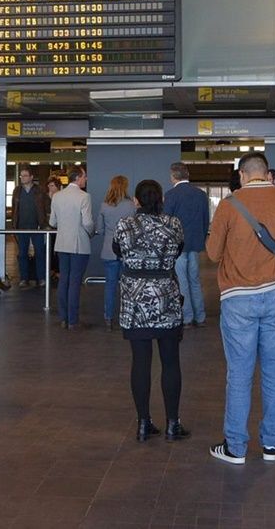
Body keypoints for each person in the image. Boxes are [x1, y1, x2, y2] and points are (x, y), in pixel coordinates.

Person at [206, 152, 275, 465]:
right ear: (267, 174)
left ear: (242, 175)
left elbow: (211, 253)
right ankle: (273, 446)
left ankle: (236, 447)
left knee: (239, 374)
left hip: (237, 297)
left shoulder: (228, 204)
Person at [113, 179, 190, 442]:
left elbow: (117, 251)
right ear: (161, 200)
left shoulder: (125, 225)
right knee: (170, 362)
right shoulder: (173, 224)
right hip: (165, 297)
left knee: (140, 362)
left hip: (134, 301)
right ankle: (173, 424)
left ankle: (144, 423)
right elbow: (178, 251)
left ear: (136, 201)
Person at [165, 162, 210, 328]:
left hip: (178, 245)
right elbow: (206, 220)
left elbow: (167, 221)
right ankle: (200, 316)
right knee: (195, 280)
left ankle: (187, 318)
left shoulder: (170, 195)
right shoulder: (200, 194)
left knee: (182, 281)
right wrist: (202, 238)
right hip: (195, 243)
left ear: (173, 176)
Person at [51, 167, 94, 329]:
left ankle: (64, 318)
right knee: (75, 282)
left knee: (64, 280)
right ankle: (73, 320)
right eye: (84, 176)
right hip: (79, 244)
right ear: (77, 178)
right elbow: (88, 222)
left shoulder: (57, 196)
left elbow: (53, 222)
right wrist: (91, 233)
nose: (86, 179)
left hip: (62, 244)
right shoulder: (84, 197)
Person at [96, 175, 134, 330]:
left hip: (109, 250)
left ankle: (108, 318)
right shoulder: (131, 206)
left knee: (110, 286)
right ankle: (128, 317)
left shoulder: (104, 206)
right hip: (127, 250)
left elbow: (100, 229)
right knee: (128, 286)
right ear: (125, 186)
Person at [10, 167, 48, 288]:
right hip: (21, 226)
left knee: (40, 253)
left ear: (31, 177)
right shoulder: (17, 191)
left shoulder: (39, 190)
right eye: (21, 176)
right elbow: (14, 209)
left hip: (37, 226)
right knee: (22, 254)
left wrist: (45, 224)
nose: (23, 178)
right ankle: (24, 278)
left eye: (25, 175)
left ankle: (41, 278)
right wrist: (13, 226)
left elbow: (46, 207)